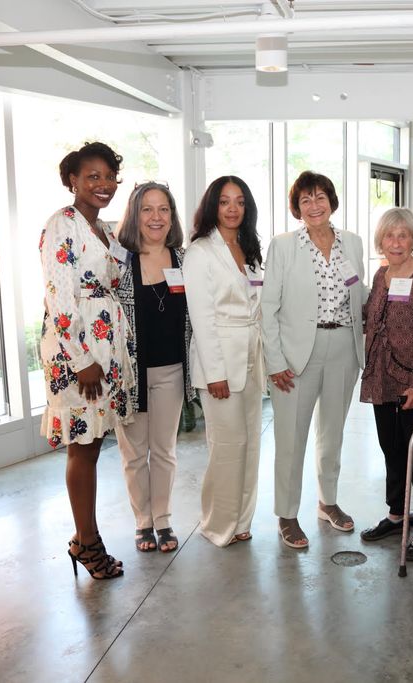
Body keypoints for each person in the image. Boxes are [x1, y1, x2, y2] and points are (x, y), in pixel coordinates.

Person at [39, 141, 132, 580]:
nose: (103, 184)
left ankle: (85, 538)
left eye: (109, 176)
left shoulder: (104, 230)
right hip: (76, 351)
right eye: (92, 176)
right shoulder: (62, 225)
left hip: (102, 348)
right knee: (83, 445)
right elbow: (59, 296)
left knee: (92, 445)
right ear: (72, 180)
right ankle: (86, 542)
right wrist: (80, 360)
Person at [262, 171, 367, 549]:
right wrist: (275, 361)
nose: (314, 205)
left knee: (333, 433)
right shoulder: (285, 246)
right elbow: (268, 307)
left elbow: (361, 295)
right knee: (291, 438)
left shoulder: (351, 243)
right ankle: (287, 515)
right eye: (305, 199)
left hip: (343, 347)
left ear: (332, 201)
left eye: (320, 197)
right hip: (295, 355)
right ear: (297, 207)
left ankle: (328, 502)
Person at [359, 208, 413, 561]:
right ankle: (397, 514)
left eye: (403, 236)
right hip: (382, 379)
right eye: (389, 236)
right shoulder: (381, 276)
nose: (396, 242)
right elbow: (370, 317)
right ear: (381, 240)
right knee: (391, 448)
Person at [183, 176, 264, 548]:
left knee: (249, 444)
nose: (233, 208)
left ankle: (241, 520)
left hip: (250, 357)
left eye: (240, 202)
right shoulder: (201, 251)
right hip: (219, 364)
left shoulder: (249, 247)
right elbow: (201, 318)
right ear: (212, 205)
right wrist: (214, 373)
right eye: (225, 201)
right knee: (227, 446)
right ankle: (218, 523)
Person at [114, 182, 192, 554]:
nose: (156, 217)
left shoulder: (184, 258)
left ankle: (162, 519)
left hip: (172, 370)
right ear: (135, 214)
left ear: (172, 216)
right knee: (133, 454)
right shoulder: (118, 261)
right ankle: (142, 521)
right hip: (131, 375)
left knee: (164, 450)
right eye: (147, 209)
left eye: (164, 209)